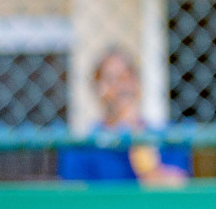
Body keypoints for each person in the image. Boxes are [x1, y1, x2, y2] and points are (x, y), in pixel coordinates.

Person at [57, 47, 191, 184]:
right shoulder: (82, 145)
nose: (121, 86)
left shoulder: (166, 137)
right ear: (98, 87)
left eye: (127, 77)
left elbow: (178, 187)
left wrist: (145, 161)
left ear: (137, 84)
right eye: (111, 78)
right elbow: (73, 192)